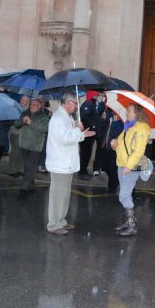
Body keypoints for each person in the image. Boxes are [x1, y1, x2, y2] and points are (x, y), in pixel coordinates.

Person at [45, 93, 95, 235]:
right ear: (67, 103)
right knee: (57, 196)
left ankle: (61, 221)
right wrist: (78, 131)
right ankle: (54, 224)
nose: (77, 106)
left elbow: (71, 137)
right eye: (75, 103)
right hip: (60, 163)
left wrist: (81, 133)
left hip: (65, 163)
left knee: (64, 195)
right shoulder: (58, 118)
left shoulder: (67, 118)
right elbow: (65, 139)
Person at [110, 104, 151, 237]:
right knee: (124, 195)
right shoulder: (128, 126)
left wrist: (128, 166)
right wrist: (115, 144)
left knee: (124, 195)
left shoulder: (142, 128)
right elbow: (123, 146)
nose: (126, 113)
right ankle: (129, 222)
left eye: (129, 111)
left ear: (136, 113)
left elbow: (139, 151)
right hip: (122, 165)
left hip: (131, 167)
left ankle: (132, 225)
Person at [14, 97, 50, 198]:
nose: (32, 107)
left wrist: (31, 123)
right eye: (31, 105)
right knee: (27, 167)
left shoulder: (43, 116)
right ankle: (31, 186)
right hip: (23, 144)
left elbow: (45, 128)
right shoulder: (25, 113)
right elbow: (16, 124)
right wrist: (23, 121)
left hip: (35, 146)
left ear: (40, 106)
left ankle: (23, 188)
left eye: (35, 105)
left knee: (30, 167)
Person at [99, 108, 124, 193]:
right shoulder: (109, 115)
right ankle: (114, 183)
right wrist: (103, 119)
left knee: (113, 168)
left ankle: (112, 186)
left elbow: (120, 131)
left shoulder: (122, 120)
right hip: (106, 146)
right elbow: (104, 129)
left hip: (116, 148)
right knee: (105, 166)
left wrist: (116, 121)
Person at [78, 91, 101, 178]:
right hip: (86, 133)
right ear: (91, 95)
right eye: (95, 95)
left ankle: (84, 169)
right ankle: (82, 171)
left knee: (87, 153)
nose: (96, 97)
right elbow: (84, 117)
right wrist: (93, 126)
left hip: (90, 134)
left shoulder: (92, 104)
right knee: (85, 153)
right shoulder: (87, 104)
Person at [7, 95, 30, 176]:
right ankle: (11, 170)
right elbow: (14, 122)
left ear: (28, 102)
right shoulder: (15, 108)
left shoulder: (28, 111)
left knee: (21, 152)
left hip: (23, 134)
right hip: (15, 133)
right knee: (15, 151)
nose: (23, 101)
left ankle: (20, 169)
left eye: (25, 100)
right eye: (22, 99)